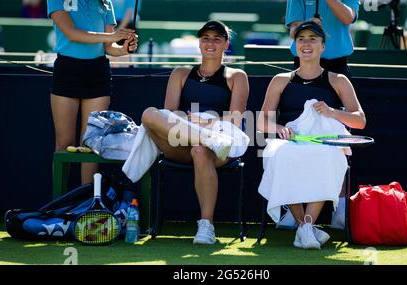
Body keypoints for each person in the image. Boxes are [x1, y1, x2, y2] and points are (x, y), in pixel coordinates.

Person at [257, 21, 366, 249]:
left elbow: (360, 120)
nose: (306, 44)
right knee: (281, 156)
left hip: (324, 143)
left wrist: (332, 112)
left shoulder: (338, 80)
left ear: (323, 46)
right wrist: (277, 128)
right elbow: (261, 121)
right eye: (301, 39)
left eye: (312, 39)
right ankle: (306, 229)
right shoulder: (280, 81)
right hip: (290, 143)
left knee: (329, 157)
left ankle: (305, 226)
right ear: (295, 46)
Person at [141, 20, 249, 245]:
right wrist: (193, 123)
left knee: (200, 151)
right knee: (149, 114)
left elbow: (237, 118)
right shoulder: (180, 73)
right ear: (199, 43)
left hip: (219, 144)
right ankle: (205, 138)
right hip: (180, 140)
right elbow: (168, 113)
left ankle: (206, 225)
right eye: (206, 38)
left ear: (226, 44)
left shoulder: (237, 76)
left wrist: (209, 122)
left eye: (217, 39)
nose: (210, 43)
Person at [47, 0, 138, 184]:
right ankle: (59, 204)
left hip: (98, 73)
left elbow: (109, 48)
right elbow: (71, 33)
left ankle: (88, 202)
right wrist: (111, 37)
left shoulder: (106, 3)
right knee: (64, 143)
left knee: (91, 143)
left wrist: (123, 49)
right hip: (67, 70)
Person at [285, 0, 360, 76]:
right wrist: (309, 25)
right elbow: (293, 31)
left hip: (337, 66)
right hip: (304, 64)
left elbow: (348, 18)